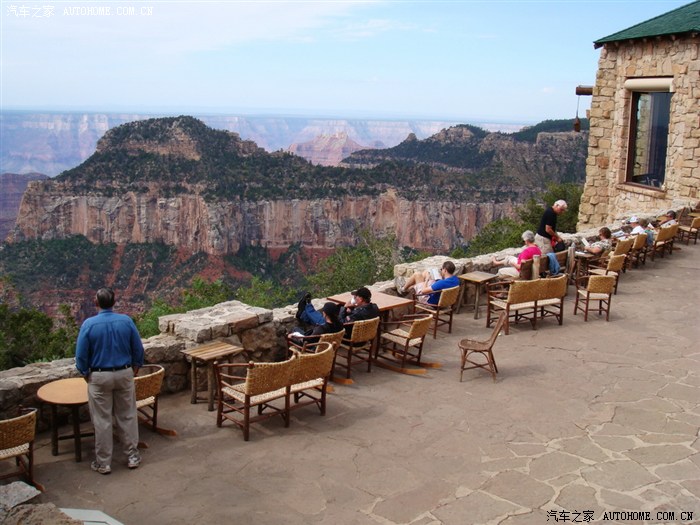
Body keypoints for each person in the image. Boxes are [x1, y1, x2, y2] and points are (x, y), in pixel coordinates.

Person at [75, 287, 144, 475]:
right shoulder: (126, 321)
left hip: (99, 376)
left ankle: (103, 462)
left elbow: (81, 355)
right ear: (114, 302)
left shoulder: (89, 325)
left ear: (96, 303)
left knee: (102, 420)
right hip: (124, 372)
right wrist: (135, 368)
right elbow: (138, 349)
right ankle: (132, 456)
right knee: (127, 415)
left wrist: (85, 373)